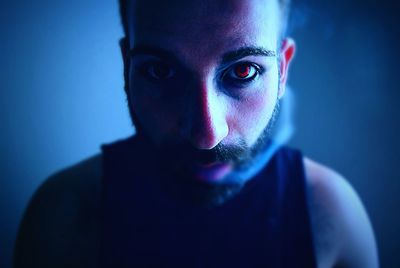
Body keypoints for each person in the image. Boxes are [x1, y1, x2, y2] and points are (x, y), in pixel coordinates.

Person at [14, 0, 378, 267]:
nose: (206, 135)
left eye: (243, 72)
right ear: (128, 68)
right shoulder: (65, 213)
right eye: (160, 71)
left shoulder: (331, 216)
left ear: (282, 71)